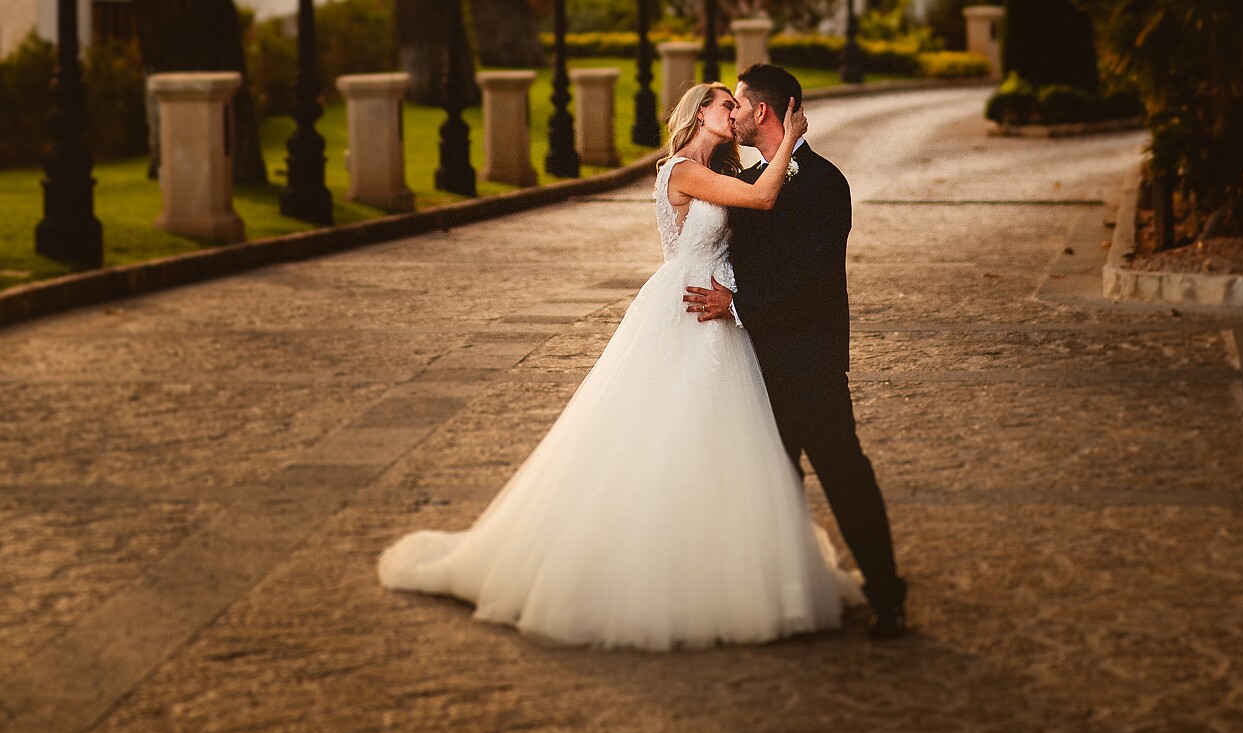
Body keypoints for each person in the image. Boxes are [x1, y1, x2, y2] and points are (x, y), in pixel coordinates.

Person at [378, 84, 859, 650]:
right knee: (658, 435)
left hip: (719, 313)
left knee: (721, 443)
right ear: (699, 112)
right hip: (680, 306)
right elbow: (762, 201)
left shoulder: (725, 170)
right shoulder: (681, 171)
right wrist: (792, 141)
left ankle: (715, 567)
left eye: (738, 103)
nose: (734, 113)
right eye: (724, 104)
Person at [685, 62, 908, 639]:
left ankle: (888, 592)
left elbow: (811, 277)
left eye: (737, 104)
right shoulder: (748, 177)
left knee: (842, 470)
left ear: (761, 111)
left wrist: (733, 303)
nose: (731, 112)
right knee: (771, 479)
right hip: (753, 358)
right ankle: (784, 598)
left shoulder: (825, 182)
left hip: (810, 359)